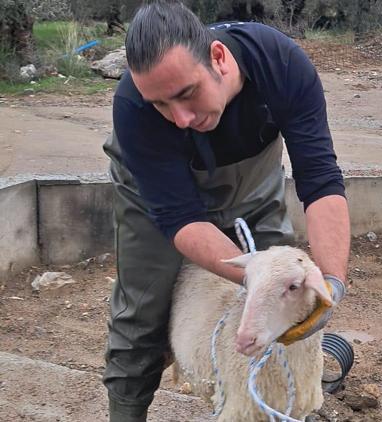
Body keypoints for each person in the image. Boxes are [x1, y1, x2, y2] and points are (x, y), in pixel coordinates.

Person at [101, 1, 350, 421]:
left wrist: (328, 285)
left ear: (218, 57)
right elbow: (180, 218)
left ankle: (275, 408)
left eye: (186, 93)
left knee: (284, 307)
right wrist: (258, 277)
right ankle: (126, 412)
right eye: (160, 104)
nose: (178, 118)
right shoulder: (133, 106)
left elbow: (320, 180)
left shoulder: (281, 64)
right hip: (155, 195)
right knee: (142, 316)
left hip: (251, 179)